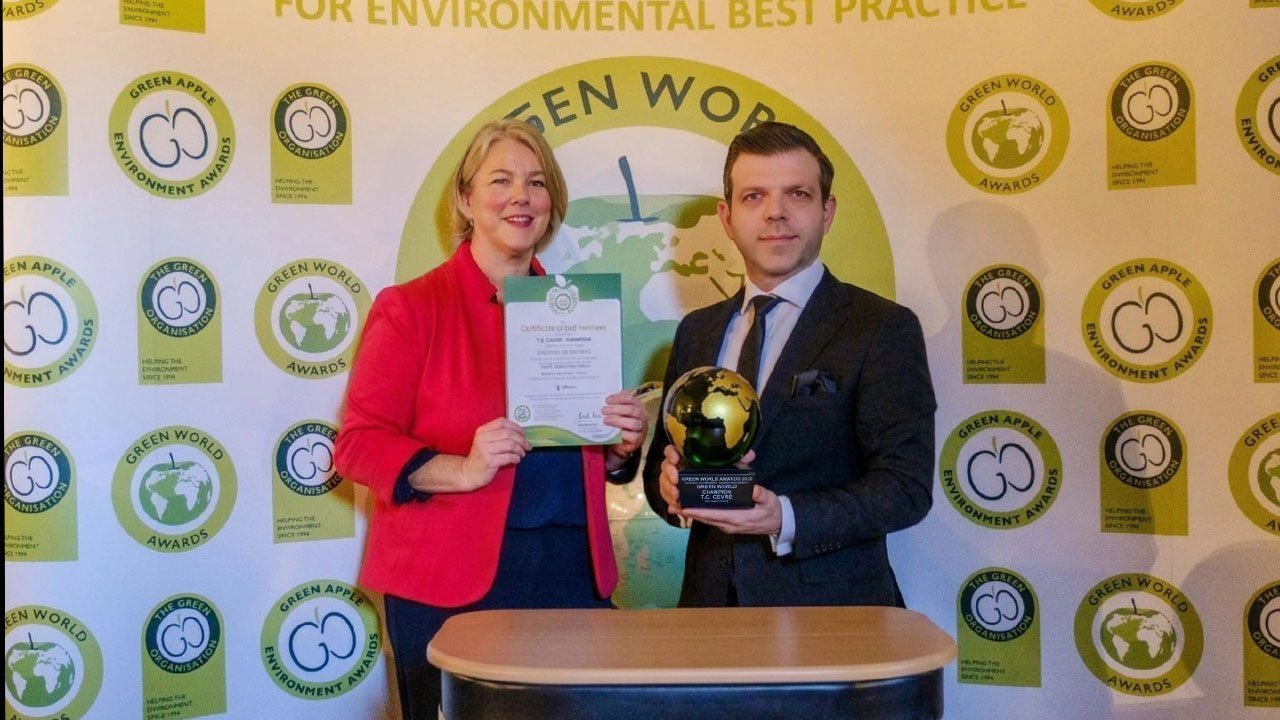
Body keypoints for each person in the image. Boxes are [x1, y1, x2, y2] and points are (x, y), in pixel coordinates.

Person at [335, 119, 647, 720]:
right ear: (465, 199)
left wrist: (616, 448)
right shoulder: (412, 307)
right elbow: (358, 445)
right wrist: (461, 468)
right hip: (445, 581)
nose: (520, 197)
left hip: (571, 572)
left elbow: (582, 451)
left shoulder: (581, 311)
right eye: (500, 180)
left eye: (537, 182)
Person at [642, 121, 936, 608]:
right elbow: (662, 468)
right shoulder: (697, 331)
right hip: (708, 614)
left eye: (797, 194)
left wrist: (785, 517)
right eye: (753, 196)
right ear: (727, 218)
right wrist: (668, 486)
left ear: (827, 211)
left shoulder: (881, 327)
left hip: (833, 619)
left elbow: (906, 488)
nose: (775, 212)